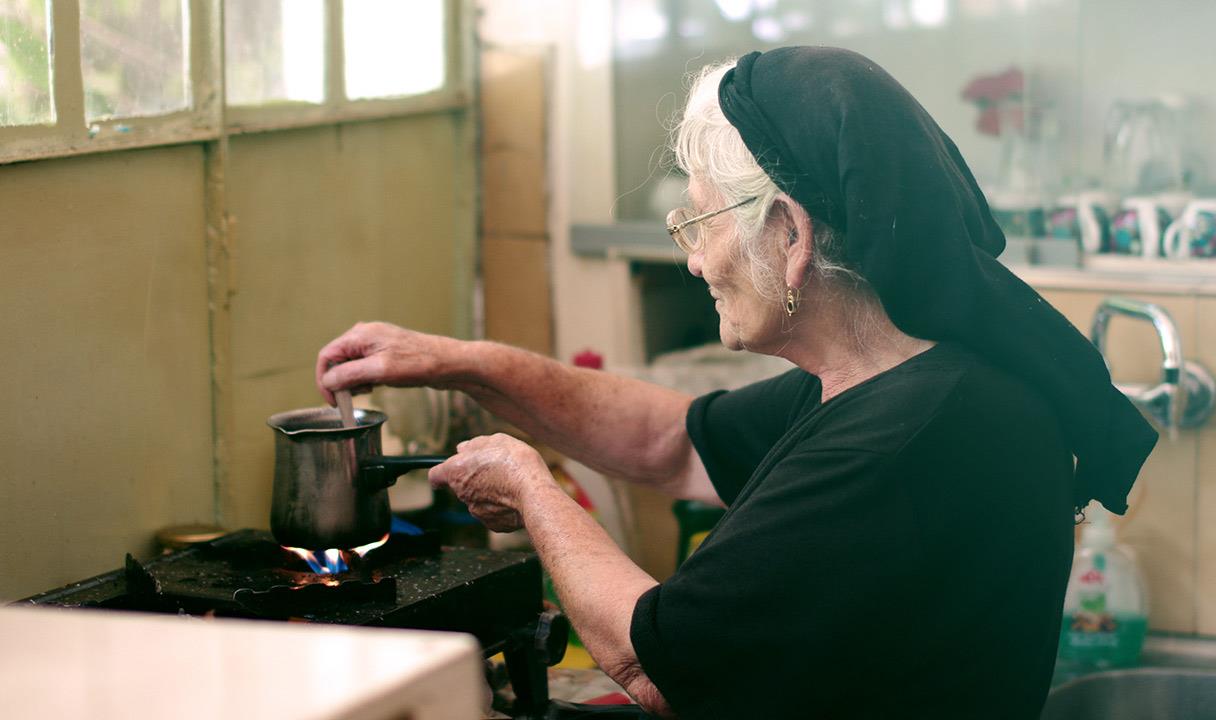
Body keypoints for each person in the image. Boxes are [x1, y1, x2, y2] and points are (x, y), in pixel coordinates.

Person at [315, 47, 1156, 719]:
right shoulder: (895, 374)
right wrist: (470, 362)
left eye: (701, 220)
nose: (693, 257)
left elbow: (656, 666)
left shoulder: (904, 439)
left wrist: (531, 490)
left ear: (790, 232)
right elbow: (670, 441)